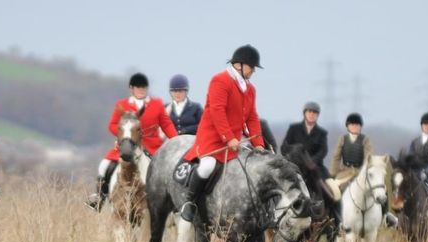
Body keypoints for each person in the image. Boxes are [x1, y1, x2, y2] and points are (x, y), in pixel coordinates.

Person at [178, 45, 266, 223]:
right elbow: (217, 111)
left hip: (235, 141)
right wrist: (229, 137)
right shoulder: (220, 80)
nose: (254, 71)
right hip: (213, 138)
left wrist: (259, 144)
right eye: (252, 67)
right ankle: (190, 202)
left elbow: (252, 117)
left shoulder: (250, 89)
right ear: (240, 65)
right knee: (207, 166)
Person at [86, 73, 177, 211]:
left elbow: (167, 125)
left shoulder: (157, 104)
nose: (141, 90)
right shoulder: (122, 105)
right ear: (131, 89)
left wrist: (176, 139)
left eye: (144, 88)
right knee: (104, 166)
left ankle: (172, 199)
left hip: (151, 146)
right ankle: (100, 196)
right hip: (126, 145)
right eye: (138, 88)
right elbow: (112, 125)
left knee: (168, 169)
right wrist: (124, 136)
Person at [282, 102, 341, 201]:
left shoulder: (322, 133)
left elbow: (323, 150)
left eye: (315, 113)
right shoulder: (293, 129)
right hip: (295, 167)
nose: (312, 114)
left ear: (317, 115)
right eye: (309, 112)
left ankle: (337, 215)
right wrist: (295, 156)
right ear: (305, 113)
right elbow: (284, 147)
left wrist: (311, 162)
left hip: (315, 168)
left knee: (335, 192)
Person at [331, 113, 373, 192]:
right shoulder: (342, 139)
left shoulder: (365, 139)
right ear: (348, 126)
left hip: (360, 172)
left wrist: (364, 171)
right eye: (352, 125)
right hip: (345, 172)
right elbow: (336, 157)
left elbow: (368, 157)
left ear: (360, 127)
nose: (354, 127)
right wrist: (333, 173)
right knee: (334, 189)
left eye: (357, 125)